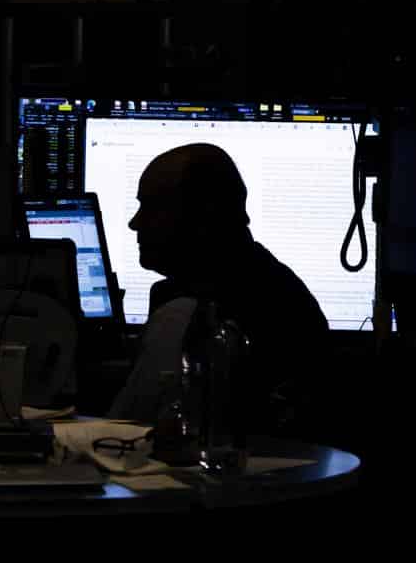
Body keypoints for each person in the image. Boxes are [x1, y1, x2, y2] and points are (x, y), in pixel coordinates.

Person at [107, 143, 327, 427]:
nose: (134, 223)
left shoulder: (185, 314)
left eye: (151, 208)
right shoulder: (277, 286)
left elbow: (122, 431)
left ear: (202, 215)